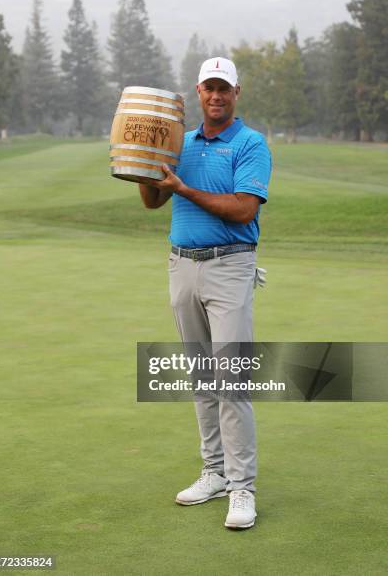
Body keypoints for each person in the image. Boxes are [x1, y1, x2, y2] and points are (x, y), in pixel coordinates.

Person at [138, 57, 272, 529]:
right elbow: (156, 199)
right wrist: (142, 167)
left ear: (237, 93)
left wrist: (183, 187)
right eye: (208, 88)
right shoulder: (182, 143)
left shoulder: (251, 144)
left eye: (224, 89)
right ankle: (214, 472)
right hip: (181, 266)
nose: (216, 96)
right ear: (198, 91)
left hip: (230, 267)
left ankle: (242, 488)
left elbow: (241, 209)